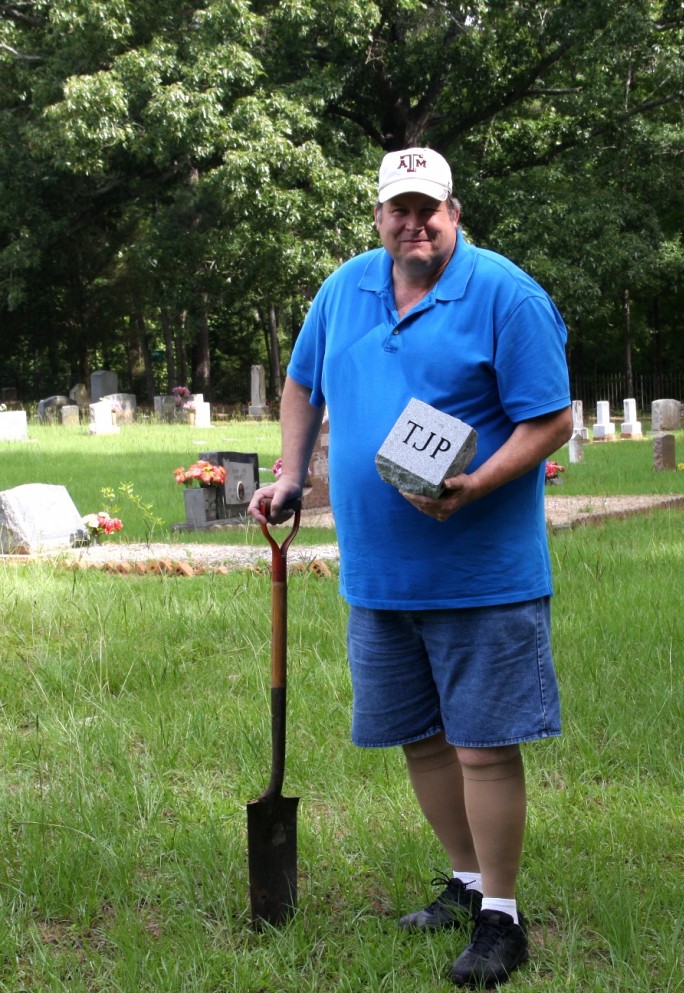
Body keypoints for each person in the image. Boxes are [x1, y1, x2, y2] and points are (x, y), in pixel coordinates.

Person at [248, 146, 572, 987]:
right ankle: (466, 883)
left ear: (454, 211)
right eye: (399, 208)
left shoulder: (506, 294)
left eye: (429, 208)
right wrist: (289, 475)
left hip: (483, 572)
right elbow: (299, 385)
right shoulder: (345, 287)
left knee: (483, 747)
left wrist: (476, 483)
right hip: (379, 573)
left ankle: (502, 916)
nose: (414, 222)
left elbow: (550, 422)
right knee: (420, 740)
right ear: (379, 215)